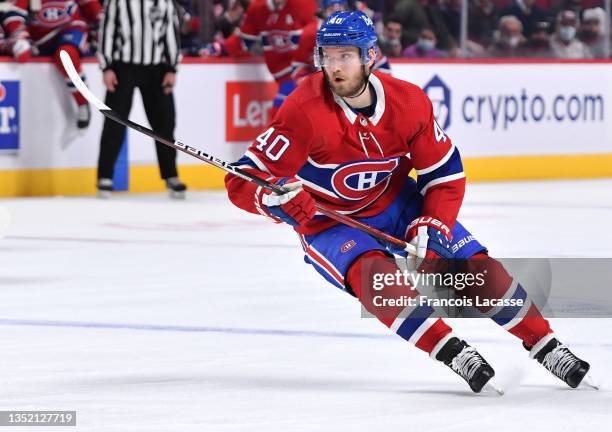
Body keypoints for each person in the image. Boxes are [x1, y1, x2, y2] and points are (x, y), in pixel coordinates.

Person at [225, 10, 592, 392]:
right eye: (327, 56)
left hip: (396, 201)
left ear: (369, 56)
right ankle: (453, 351)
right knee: (375, 278)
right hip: (328, 220)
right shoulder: (304, 109)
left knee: (471, 268)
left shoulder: (408, 103)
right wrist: (271, 199)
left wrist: (433, 224)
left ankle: (546, 344)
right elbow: (243, 179)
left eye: (345, 56)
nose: (334, 67)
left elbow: (444, 174)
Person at [97, 0, 187, 199]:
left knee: (165, 124)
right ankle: (105, 176)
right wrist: (107, 66)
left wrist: (172, 68)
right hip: (123, 67)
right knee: (114, 123)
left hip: (156, 69)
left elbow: (171, 33)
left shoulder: (165, 2)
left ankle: (171, 175)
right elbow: (108, 30)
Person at [201, 0, 318, 115]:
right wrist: (220, 48)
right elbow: (244, 41)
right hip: (283, 78)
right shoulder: (258, 8)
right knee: (283, 118)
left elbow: (319, 34)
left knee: (280, 115)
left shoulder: (304, 4)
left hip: (304, 75)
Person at [8, 0, 101, 128]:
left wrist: (100, 24)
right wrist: (20, 37)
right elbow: (15, 11)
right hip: (39, 35)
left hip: (70, 27)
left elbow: (90, 5)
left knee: (66, 55)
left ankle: (82, 101)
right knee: (23, 55)